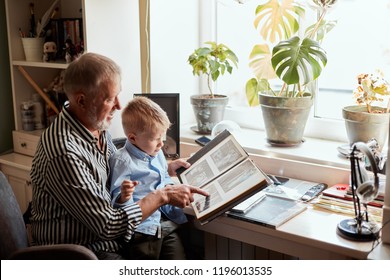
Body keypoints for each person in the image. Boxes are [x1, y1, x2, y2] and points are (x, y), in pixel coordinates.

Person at [29, 52, 208, 260]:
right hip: (84, 252)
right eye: (109, 98)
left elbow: (122, 171)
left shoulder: (95, 125)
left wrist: (165, 169)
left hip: (111, 240)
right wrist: (164, 195)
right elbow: (108, 225)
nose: (119, 105)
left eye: (118, 95)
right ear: (82, 101)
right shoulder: (64, 152)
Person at [109, 96, 188, 259]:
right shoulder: (122, 161)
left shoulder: (156, 152)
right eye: (155, 139)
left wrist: (169, 169)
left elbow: (160, 176)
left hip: (164, 223)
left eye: (162, 137)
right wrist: (124, 196)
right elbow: (116, 203)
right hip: (142, 231)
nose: (161, 144)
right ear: (132, 138)